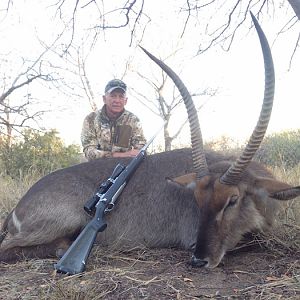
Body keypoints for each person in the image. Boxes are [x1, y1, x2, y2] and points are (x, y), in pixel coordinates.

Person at [81, 79, 146, 161]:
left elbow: (141, 149)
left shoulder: (133, 120)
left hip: (125, 168)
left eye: (121, 96)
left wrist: (138, 153)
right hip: (97, 168)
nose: (117, 101)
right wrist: (116, 155)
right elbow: (89, 152)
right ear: (104, 99)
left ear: (125, 101)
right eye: (113, 96)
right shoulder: (91, 119)